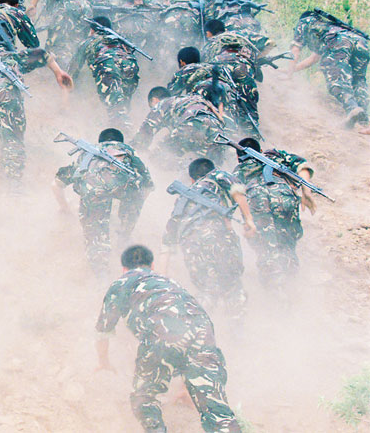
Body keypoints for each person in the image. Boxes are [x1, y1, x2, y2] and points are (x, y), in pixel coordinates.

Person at [96, 245, 242, 433]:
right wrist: (189, 383)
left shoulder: (121, 284)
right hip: (202, 328)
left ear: (123, 268)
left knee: (145, 400)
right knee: (218, 413)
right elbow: (188, 334)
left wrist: (103, 361)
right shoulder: (170, 283)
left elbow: (102, 330)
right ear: (152, 265)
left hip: (160, 332)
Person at [160, 158, 256, 319]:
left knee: (207, 290)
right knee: (232, 287)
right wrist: (248, 219)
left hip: (191, 245)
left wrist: (161, 281)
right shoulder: (217, 175)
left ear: (191, 179)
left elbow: (167, 244)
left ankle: (196, 329)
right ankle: (237, 332)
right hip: (220, 237)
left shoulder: (182, 200)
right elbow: (238, 191)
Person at [0, 46, 73, 182]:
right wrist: (58, 73)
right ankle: (13, 185)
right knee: (13, 141)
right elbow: (42, 53)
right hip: (8, 94)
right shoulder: (12, 56)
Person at [53, 128, 152, 277]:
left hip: (94, 193)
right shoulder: (128, 151)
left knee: (96, 239)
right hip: (127, 190)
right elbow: (148, 185)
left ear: (100, 142)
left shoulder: (87, 153)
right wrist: (131, 212)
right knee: (135, 193)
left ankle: (102, 277)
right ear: (120, 142)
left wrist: (65, 207)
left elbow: (56, 184)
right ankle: (124, 237)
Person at [232, 138, 316, 287]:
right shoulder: (277, 155)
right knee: (288, 243)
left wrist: (249, 219)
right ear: (261, 151)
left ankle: (276, 291)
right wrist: (306, 192)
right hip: (284, 196)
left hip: (257, 201)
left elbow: (237, 194)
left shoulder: (239, 169)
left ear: (238, 157)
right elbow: (302, 167)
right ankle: (291, 285)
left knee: (266, 249)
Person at [288, 9, 369, 128]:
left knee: (335, 78)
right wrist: (293, 70)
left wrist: (288, 74)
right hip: (361, 43)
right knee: (358, 80)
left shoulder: (304, 21)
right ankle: (364, 122)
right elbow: (313, 58)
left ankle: (352, 108)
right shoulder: (327, 26)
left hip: (339, 42)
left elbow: (295, 50)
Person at [71, 16, 140, 123]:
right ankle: (122, 127)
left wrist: (68, 88)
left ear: (92, 30)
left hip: (109, 68)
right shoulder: (120, 40)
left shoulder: (89, 41)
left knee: (116, 109)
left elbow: (73, 70)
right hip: (130, 67)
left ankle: (121, 132)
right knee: (122, 104)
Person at [133, 86, 227, 164]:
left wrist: (133, 152)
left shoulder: (162, 104)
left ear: (154, 100)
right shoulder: (188, 101)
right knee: (207, 166)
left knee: (159, 157)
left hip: (192, 125)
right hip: (218, 132)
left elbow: (144, 134)